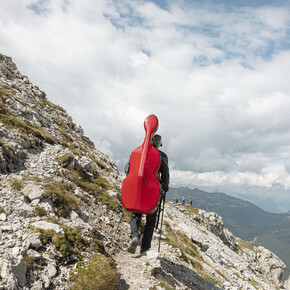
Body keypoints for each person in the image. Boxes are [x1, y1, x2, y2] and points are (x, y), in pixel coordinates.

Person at [126, 134, 169, 254]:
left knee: (135, 214)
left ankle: (135, 235)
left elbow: (128, 169)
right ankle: (145, 248)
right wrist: (165, 187)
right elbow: (165, 174)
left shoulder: (138, 152)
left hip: (139, 188)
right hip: (153, 190)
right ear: (159, 144)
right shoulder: (162, 156)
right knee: (151, 219)